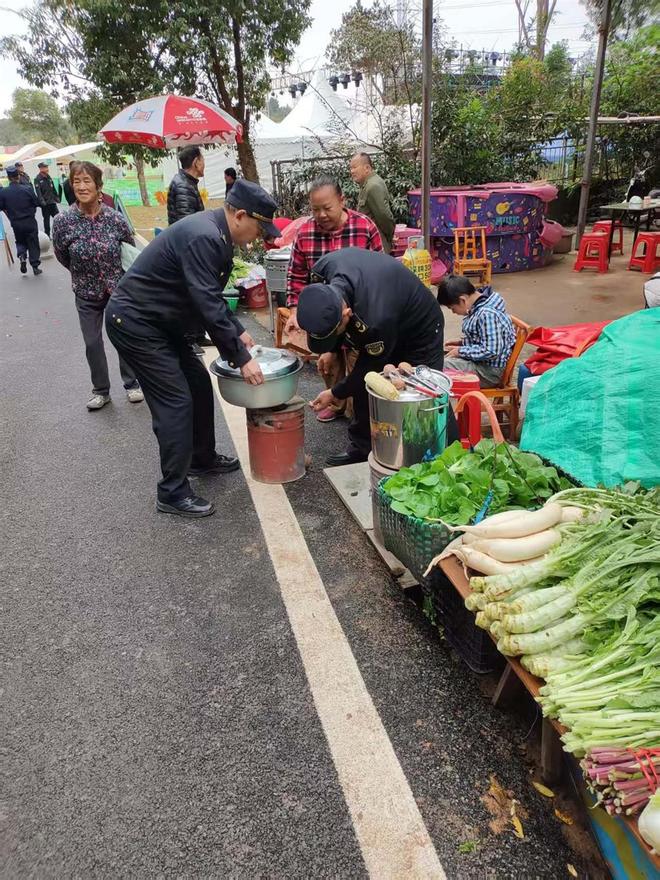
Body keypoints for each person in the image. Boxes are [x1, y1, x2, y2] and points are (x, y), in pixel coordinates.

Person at [106, 179, 279, 519]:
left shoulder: (217, 233)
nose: (260, 236)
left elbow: (209, 297)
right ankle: (171, 491)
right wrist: (242, 359)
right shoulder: (205, 236)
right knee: (175, 401)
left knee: (199, 385)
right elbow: (205, 302)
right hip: (136, 324)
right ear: (241, 215)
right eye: (260, 227)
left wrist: (238, 331)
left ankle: (201, 458)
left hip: (161, 322)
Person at [301, 248, 453, 466]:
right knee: (369, 387)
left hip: (420, 328)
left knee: (422, 394)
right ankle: (362, 448)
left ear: (347, 314)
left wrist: (335, 392)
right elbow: (327, 314)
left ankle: (434, 456)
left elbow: (367, 369)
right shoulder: (322, 271)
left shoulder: (375, 318)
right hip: (388, 309)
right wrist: (331, 349)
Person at [285, 176, 383, 423]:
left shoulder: (364, 227)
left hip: (357, 313)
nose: (321, 215)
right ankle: (336, 402)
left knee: (358, 363)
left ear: (342, 200)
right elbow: (296, 276)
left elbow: (380, 271)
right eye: (315, 209)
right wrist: (295, 311)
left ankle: (358, 415)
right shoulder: (305, 233)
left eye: (327, 208)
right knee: (328, 362)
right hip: (324, 317)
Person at [52, 161, 144, 411]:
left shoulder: (115, 219)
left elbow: (128, 248)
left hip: (117, 289)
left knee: (123, 338)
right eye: (76, 181)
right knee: (92, 342)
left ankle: (131, 383)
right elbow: (61, 254)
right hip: (85, 291)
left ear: (98, 186)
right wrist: (82, 274)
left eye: (87, 181)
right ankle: (101, 390)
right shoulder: (63, 221)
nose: (82, 187)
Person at [437, 274, 516, 388]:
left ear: (462, 300)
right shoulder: (480, 306)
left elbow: (491, 350)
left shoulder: (487, 314)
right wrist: (462, 343)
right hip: (481, 364)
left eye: (453, 308)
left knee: (438, 367)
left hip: (489, 372)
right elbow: (484, 338)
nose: (454, 312)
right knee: (437, 355)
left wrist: (461, 351)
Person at [0, 164, 42, 276]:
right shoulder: (27, 189)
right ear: (18, 176)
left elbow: (1, 207)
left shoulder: (3, 192)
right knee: (33, 242)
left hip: (16, 222)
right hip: (29, 221)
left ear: (8, 178)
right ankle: (35, 266)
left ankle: (22, 256)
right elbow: (36, 202)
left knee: (20, 241)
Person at [349, 152, 395, 254]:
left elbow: (384, 216)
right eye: (351, 168)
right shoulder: (367, 184)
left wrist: (389, 237)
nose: (352, 171)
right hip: (371, 245)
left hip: (377, 245)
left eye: (355, 167)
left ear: (367, 168)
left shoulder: (372, 186)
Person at [167, 146, 206, 226]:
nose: (204, 164)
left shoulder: (186, 182)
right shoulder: (184, 187)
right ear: (196, 162)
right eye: (202, 160)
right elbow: (188, 225)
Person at [33, 162, 60, 237]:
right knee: (46, 220)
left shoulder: (48, 177)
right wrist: (42, 202)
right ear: (41, 169)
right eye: (45, 167)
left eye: (47, 167)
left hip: (52, 202)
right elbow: (39, 193)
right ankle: (47, 235)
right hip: (45, 204)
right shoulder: (37, 179)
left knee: (58, 217)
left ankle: (59, 232)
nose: (47, 169)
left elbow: (53, 188)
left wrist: (57, 197)